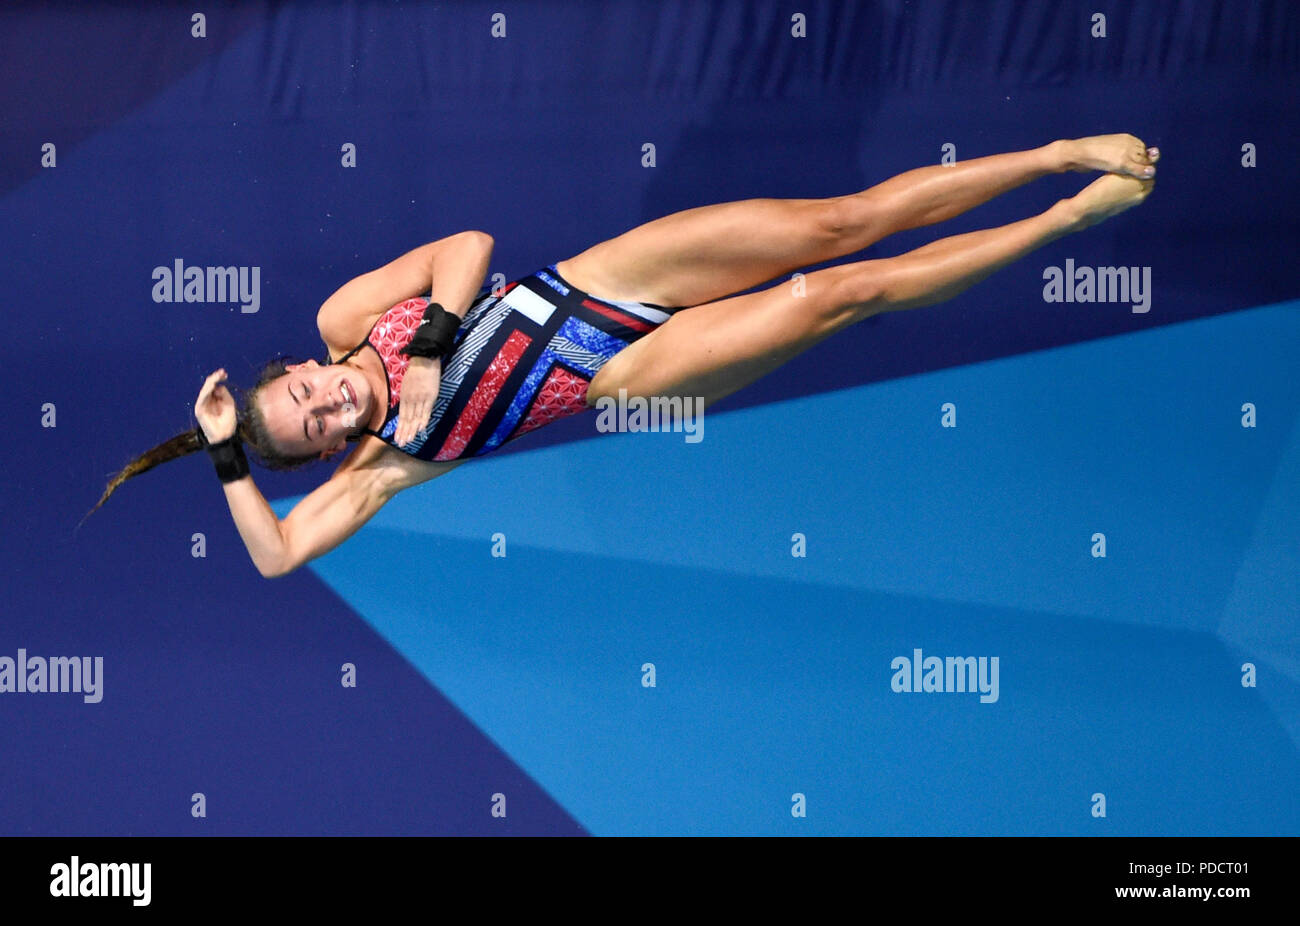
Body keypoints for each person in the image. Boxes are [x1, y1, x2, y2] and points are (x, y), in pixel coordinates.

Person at [84, 134, 1158, 577]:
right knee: (845, 294)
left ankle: (1058, 151)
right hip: (632, 369)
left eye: (302, 391)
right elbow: (276, 556)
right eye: (315, 424)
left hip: (604, 276)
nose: (325, 401)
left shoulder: (348, 319)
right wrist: (225, 454)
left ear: (294, 365)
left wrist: (435, 347)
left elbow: (467, 247)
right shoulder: (381, 466)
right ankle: (1064, 218)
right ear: (324, 447)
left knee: (843, 222)